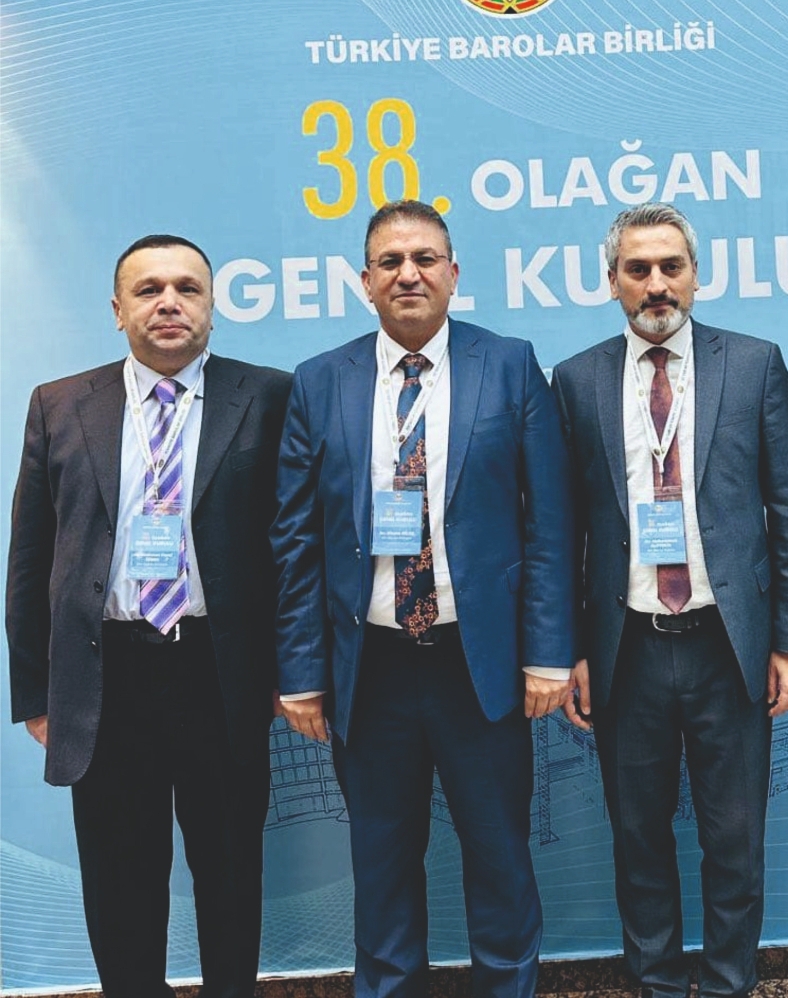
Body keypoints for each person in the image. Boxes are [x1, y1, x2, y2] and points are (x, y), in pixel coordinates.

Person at [271, 200, 575, 998]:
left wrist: (548, 653)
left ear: (453, 273)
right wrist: (301, 671)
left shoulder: (508, 365)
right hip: (369, 669)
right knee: (380, 862)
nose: (409, 273)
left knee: (500, 856)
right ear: (364, 281)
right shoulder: (320, 381)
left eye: (425, 258)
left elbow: (549, 523)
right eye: (390, 261)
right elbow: (295, 542)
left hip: (478, 665)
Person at [5, 235, 292, 997]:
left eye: (187, 289)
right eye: (149, 289)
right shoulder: (60, 403)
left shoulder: (268, 396)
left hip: (220, 671)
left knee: (230, 867)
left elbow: (296, 548)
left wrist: (291, 671)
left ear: (212, 306)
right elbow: (31, 557)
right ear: (117, 309)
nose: (169, 303)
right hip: (106, 675)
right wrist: (36, 693)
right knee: (119, 876)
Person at [550, 203, 788, 998]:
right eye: (638, 269)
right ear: (612, 282)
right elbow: (563, 532)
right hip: (627, 647)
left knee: (735, 838)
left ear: (697, 275)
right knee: (638, 838)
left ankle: (730, 982)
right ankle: (658, 983)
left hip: (728, 645)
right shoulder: (577, 380)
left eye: (671, 266)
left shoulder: (755, 365)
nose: (657, 284)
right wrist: (572, 652)